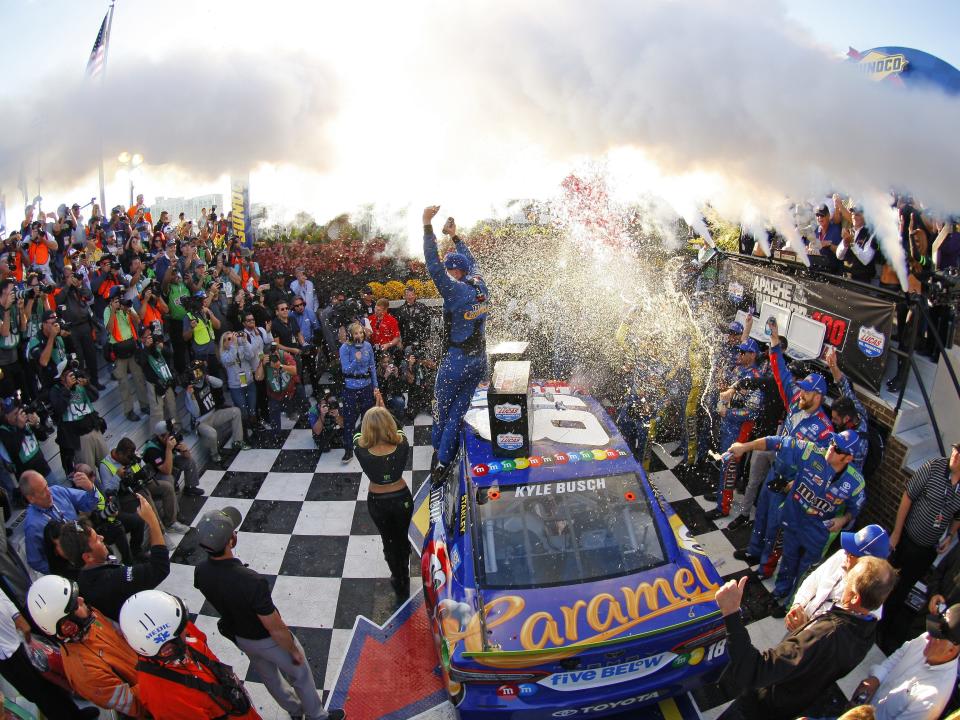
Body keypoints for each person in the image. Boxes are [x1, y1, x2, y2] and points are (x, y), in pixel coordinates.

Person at [193, 507, 345, 720]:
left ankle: (294, 711)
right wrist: (292, 650)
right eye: (233, 532)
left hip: (241, 637)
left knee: (270, 679)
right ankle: (317, 716)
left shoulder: (200, 571)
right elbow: (274, 626)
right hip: (267, 639)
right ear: (231, 541)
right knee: (300, 674)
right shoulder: (250, 581)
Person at [715, 555, 897, 720]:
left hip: (760, 708)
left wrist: (730, 613)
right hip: (792, 705)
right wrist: (806, 627)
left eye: (849, 578)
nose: (846, 574)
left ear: (855, 597)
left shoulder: (824, 635)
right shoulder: (867, 630)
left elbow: (755, 671)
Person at [736, 317, 833, 578]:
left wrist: (795, 485)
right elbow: (780, 370)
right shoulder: (794, 399)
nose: (801, 394)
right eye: (801, 389)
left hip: (792, 484)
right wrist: (775, 339)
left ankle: (766, 568)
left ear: (819, 397)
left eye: (807, 392)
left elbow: (821, 466)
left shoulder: (825, 430)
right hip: (775, 471)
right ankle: (753, 551)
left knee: (777, 529)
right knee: (763, 515)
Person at [728, 430, 865, 609]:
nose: (831, 448)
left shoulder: (856, 483)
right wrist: (745, 447)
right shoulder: (811, 452)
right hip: (793, 519)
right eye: (832, 443)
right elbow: (776, 442)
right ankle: (779, 592)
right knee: (788, 560)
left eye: (837, 448)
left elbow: (855, 509)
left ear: (847, 458)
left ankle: (792, 604)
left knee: (807, 571)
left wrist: (843, 520)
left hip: (817, 531)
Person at [119, 590, 262, 720]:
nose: (187, 627)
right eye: (182, 626)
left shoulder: (180, 634)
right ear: (168, 647)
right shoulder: (166, 700)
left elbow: (203, 646)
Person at [423, 207, 490, 479]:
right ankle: (445, 460)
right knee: (458, 412)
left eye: (450, 270)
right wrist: (455, 237)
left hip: (456, 362)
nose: (447, 274)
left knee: (441, 411)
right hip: (478, 360)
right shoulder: (480, 286)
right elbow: (472, 262)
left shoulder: (454, 289)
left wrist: (427, 225)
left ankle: (438, 459)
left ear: (454, 272)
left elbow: (432, 264)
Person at [27, 574, 146, 718]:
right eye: (75, 604)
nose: (81, 600)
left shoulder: (89, 618)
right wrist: (162, 678)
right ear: (68, 627)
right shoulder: (87, 674)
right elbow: (138, 706)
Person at [878, 443, 960, 652]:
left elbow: (957, 516)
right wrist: (896, 533)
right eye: (956, 450)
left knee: (904, 588)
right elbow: (908, 496)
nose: (956, 456)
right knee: (888, 582)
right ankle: (873, 622)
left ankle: (885, 629)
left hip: (927, 550)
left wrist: (950, 535)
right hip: (906, 541)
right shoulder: (933, 468)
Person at [59, 494, 169, 623]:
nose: (102, 538)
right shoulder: (111, 579)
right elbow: (160, 568)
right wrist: (152, 520)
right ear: (88, 557)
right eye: (96, 540)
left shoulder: (84, 577)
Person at [0, 585, 98, 719]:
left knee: (52, 679)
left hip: (18, 636)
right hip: (6, 655)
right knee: (39, 693)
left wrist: (17, 616)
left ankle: (75, 714)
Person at [849, 604, 960, 720]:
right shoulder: (926, 639)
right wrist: (875, 679)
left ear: (951, 650)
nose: (927, 637)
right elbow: (897, 658)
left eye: (935, 636)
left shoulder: (932, 698)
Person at [354, 407, 413, 603]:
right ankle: (404, 573)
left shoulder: (360, 450)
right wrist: (385, 410)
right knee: (402, 537)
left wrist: (373, 413)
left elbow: (357, 432)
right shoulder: (403, 444)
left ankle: (397, 578)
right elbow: (398, 427)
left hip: (378, 503)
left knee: (388, 540)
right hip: (402, 499)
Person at [785, 524, 890, 631]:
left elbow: (838, 636)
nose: (846, 553)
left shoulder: (868, 605)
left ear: (866, 566)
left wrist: (804, 630)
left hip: (812, 640)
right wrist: (798, 604)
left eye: (852, 553)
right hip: (800, 621)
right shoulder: (842, 555)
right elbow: (813, 580)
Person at [706, 338, 762, 520]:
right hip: (727, 425)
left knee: (729, 466)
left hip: (739, 428)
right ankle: (722, 494)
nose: (740, 354)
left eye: (744, 352)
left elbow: (753, 412)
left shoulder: (756, 378)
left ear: (753, 355)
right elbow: (727, 392)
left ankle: (723, 507)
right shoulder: (738, 369)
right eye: (740, 351)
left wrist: (728, 413)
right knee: (724, 464)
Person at [21, 469, 99, 573]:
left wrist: (90, 488)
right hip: (74, 566)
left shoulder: (57, 491)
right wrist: (61, 572)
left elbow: (89, 505)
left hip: (89, 545)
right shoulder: (33, 525)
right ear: (31, 499)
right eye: (43, 491)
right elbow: (36, 561)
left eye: (46, 486)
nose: (49, 493)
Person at [49, 361, 108, 473]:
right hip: (78, 440)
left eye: (72, 371)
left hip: (94, 430)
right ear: (61, 377)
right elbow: (58, 409)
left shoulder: (80, 384)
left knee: (107, 466)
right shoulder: (55, 390)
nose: (72, 375)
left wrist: (88, 385)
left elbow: (95, 397)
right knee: (88, 474)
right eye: (68, 373)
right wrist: (67, 389)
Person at [183, 363, 248, 462]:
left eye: (199, 371)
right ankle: (214, 454)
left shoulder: (205, 380)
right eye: (197, 373)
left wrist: (208, 377)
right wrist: (191, 396)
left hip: (213, 414)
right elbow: (196, 413)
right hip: (201, 423)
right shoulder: (189, 392)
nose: (199, 375)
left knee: (236, 411)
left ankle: (238, 441)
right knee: (213, 433)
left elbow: (220, 383)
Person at [141, 423, 199, 531]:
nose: (171, 437)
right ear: (161, 436)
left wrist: (184, 450)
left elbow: (187, 457)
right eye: (168, 435)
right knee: (169, 480)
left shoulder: (170, 438)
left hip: (169, 463)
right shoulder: (152, 449)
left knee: (188, 461)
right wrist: (168, 449)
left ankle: (190, 487)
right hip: (155, 475)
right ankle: (175, 514)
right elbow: (166, 471)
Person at [339, 321, 382, 463]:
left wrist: (376, 386)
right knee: (349, 418)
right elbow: (346, 370)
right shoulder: (344, 348)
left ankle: (366, 443)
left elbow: (372, 367)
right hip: (350, 388)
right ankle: (348, 449)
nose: (359, 335)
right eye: (356, 333)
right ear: (351, 335)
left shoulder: (368, 346)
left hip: (366, 386)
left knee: (367, 417)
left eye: (361, 332)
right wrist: (356, 361)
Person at [104, 287, 149, 422]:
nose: (120, 300)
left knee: (139, 378)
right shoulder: (107, 310)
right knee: (123, 383)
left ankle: (144, 405)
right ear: (112, 300)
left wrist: (128, 310)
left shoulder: (126, 306)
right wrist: (113, 310)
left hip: (131, 347)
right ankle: (129, 410)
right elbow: (109, 329)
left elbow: (138, 320)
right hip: (118, 352)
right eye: (118, 298)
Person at [826, 347, 869, 473]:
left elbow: (838, 463)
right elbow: (843, 383)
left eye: (835, 419)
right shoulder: (856, 407)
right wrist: (833, 365)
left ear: (846, 419)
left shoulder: (859, 444)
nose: (832, 421)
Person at [0, 396, 51, 479]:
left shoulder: (25, 419)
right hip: (29, 478)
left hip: (44, 468)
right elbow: (13, 451)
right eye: (15, 414)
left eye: (19, 412)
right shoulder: (3, 431)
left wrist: (37, 425)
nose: (19, 416)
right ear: (6, 416)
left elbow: (43, 437)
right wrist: (21, 428)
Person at [220, 329, 260, 436]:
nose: (232, 340)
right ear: (223, 343)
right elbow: (231, 358)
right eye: (228, 339)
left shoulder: (241, 347)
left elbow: (251, 355)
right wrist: (234, 345)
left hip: (249, 382)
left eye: (232, 337)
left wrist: (245, 341)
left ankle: (255, 430)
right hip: (236, 387)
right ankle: (245, 434)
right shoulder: (224, 355)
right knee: (243, 411)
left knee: (252, 409)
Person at [137, 325, 178, 425]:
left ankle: (176, 429)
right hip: (154, 385)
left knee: (172, 407)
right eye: (147, 336)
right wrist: (146, 347)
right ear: (142, 339)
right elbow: (141, 362)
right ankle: (158, 436)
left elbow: (170, 354)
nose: (150, 337)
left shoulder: (156, 344)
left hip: (166, 380)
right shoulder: (139, 350)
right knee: (157, 413)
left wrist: (162, 346)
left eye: (150, 334)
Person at [264, 345, 305, 430]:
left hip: (291, 387)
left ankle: (306, 418)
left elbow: (294, 370)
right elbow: (258, 377)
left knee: (301, 392)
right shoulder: (265, 362)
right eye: (272, 355)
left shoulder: (285, 356)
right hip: (275, 392)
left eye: (276, 352)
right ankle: (276, 432)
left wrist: (281, 366)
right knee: (273, 406)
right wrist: (262, 364)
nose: (275, 356)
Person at [836, 203, 877, 283]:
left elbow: (866, 260)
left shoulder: (871, 235)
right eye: (853, 214)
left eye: (857, 214)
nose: (854, 217)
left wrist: (852, 244)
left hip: (861, 281)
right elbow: (839, 256)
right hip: (846, 278)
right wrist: (845, 244)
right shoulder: (849, 231)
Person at [396, 284, 432, 350]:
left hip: (422, 341)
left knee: (422, 359)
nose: (410, 297)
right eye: (408, 295)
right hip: (407, 341)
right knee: (409, 359)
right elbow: (398, 327)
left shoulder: (422, 307)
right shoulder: (400, 310)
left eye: (412, 295)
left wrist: (427, 339)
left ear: (415, 296)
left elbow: (428, 323)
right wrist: (399, 341)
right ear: (404, 296)